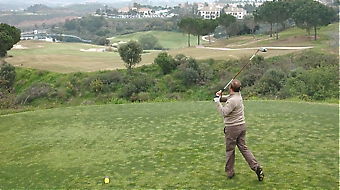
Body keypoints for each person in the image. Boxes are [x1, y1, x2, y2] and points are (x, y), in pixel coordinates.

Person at [214, 79, 264, 181]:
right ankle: (256, 167)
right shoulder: (237, 96)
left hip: (232, 128)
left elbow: (224, 112)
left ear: (230, 88)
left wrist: (217, 102)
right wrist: (219, 97)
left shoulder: (232, 100)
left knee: (230, 150)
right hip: (242, 126)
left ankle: (230, 173)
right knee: (244, 148)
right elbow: (227, 98)